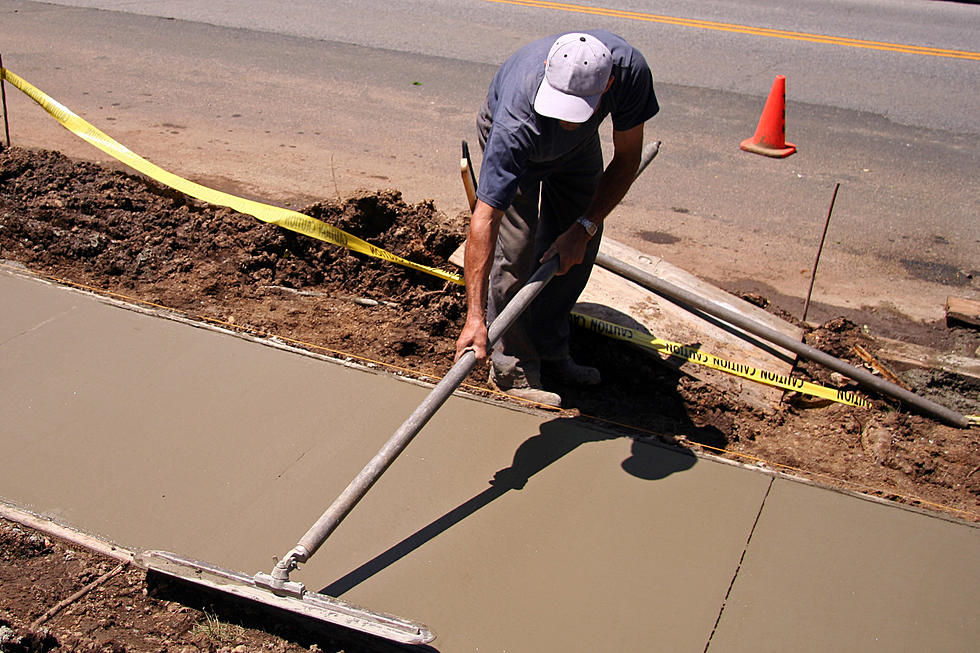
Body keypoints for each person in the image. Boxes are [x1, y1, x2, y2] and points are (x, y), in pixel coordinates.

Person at [455, 30, 659, 407]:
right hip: (525, 144)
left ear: (609, 84)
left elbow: (628, 158)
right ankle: (512, 364)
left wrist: (583, 227)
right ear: (548, 68)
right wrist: (474, 317)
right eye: (560, 107)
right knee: (517, 249)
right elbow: (484, 220)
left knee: (577, 248)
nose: (565, 119)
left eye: (576, 109)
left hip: (579, 150)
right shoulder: (514, 122)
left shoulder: (630, 71)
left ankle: (550, 348)